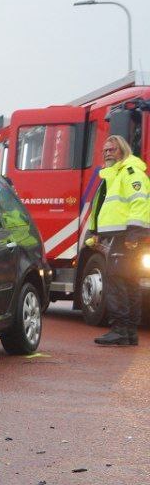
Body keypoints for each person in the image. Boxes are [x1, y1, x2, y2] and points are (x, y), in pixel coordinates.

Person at [87, 135, 149, 346]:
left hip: (127, 236)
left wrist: (133, 233)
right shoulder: (114, 175)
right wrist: (95, 231)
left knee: (116, 279)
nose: (107, 153)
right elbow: (104, 206)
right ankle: (129, 331)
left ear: (122, 150)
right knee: (129, 281)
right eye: (105, 150)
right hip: (123, 235)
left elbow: (139, 203)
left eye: (111, 150)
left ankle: (121, 329)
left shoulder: (130, 173)